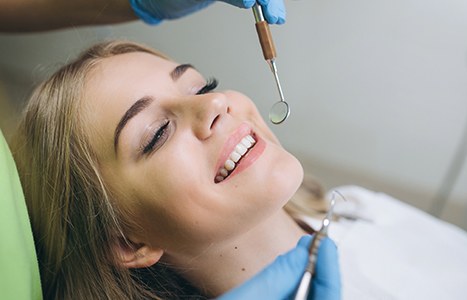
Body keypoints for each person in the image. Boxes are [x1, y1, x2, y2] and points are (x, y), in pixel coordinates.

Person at [0, 1, 340, 299]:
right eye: (158, 134)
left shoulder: (369, 212)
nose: (215, 103)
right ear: (128, 243)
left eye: (200, 87)